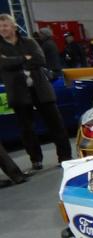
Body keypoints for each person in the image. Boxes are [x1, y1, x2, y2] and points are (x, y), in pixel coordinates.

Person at [0, 13, 72, 168]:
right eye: (0, 27)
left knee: (56, 124)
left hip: (40, 90)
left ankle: (65, 156)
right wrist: (24, 58)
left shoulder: (29, 42)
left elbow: (40, 59)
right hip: (18, 93)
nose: (2, 29)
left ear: (13, 27)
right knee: (27, 130)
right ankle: (36, 160)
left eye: (5, 25)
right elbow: (3, 64)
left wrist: (14, 62)